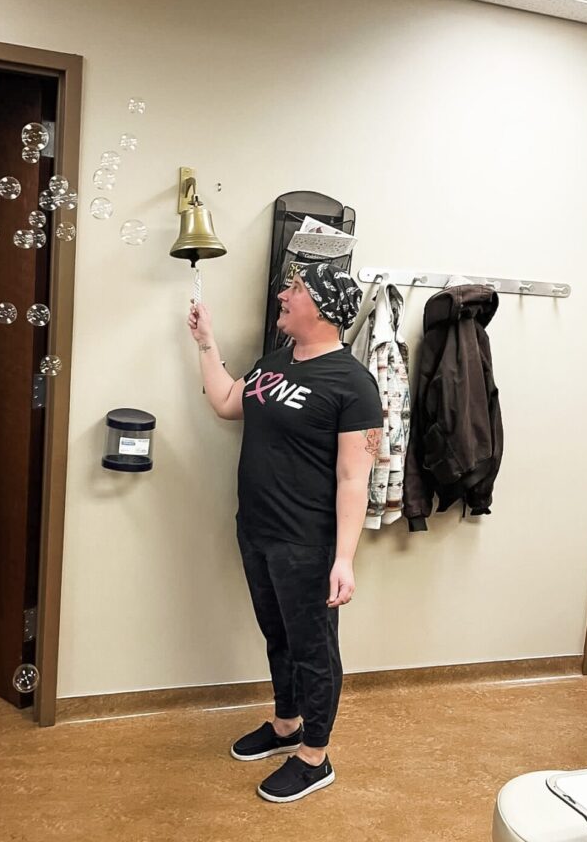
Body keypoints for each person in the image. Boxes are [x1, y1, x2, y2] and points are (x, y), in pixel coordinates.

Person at [188, 262, 383, 803]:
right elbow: (228, 403)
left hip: (307, 544)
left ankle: (314, 757)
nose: (283, 294)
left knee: (314, 650)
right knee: (279, 636)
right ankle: (285, 725)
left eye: (294, 289)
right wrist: (207, 343)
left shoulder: (355, 384)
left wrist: (343, 559)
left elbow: (353, 477)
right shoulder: (276, 362)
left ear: (320, 305)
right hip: (257, 530)